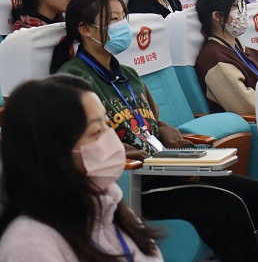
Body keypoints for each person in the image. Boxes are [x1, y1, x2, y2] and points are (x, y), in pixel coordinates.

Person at [50, 0, 258, 262]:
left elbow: (149, 122)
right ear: (85, 29)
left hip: (165, 164)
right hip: (135, 180)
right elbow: (84, 145)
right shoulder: (73, 80)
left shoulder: (128, 74)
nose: (123, 26)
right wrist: (147, 157)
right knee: (228, 207)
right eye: (113, 20)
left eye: (123, 17)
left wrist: (178, 147)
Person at [0, 74, 163, 261]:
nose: (110, 138)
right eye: (96, 131)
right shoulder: (30, 247)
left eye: (107, 124)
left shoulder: (110, 207)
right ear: (55, 150)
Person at [195, 0, 258, 115]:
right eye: (237, 6)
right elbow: (249, 105)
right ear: (217, 16)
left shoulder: (245, 50)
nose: (243, 11)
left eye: (243, 5)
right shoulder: (214, 59)